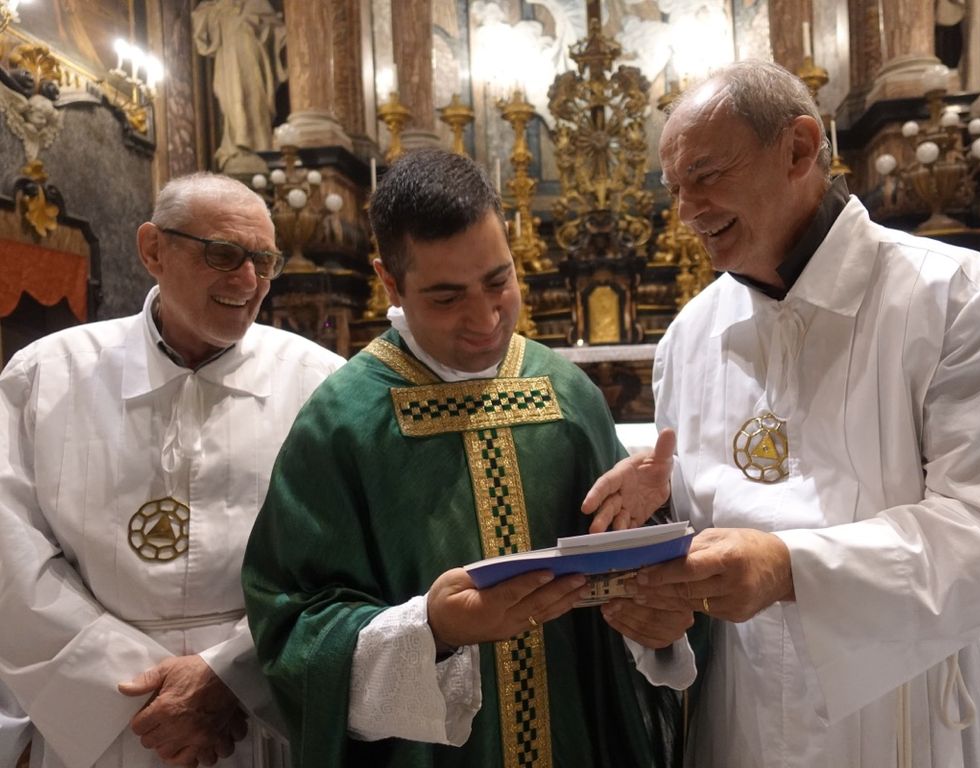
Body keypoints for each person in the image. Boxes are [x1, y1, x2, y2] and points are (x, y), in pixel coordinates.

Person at [583, 60, 980, 767]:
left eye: (706, 175)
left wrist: (791, 568)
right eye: (674, 188)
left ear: (797, 149)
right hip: (746, 719)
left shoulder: (956, 297)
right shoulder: (688, 339)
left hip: (916, 708)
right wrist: (660, 584)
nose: (687, 210)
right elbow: (703, 548)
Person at [242, 148, 695, 768]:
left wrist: (653, 547)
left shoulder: (566, 394)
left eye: (498, 281)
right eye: (446, 297)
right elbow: (293, 633)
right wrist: (432, 630)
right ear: (390, 282)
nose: (485, 319)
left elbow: (628, 602)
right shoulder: (342, 422)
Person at [0, 173, 344, 768]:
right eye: (224, 254)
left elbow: (342, 558)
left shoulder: (322, 385)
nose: (248, 281)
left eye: (264, 262)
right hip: (101, 723)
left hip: (254, 716)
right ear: (153, 250)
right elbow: (11, 554)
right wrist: (134, 689)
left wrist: (228, 676)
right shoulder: (45, 376)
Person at [192, 0, 286, 173]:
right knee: (231, 101)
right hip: (228, 59)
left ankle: (259, 147)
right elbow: (200, 21)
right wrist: (222, 12)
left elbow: (277, 30)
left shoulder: (256, 2)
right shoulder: (214, 5)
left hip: (253, 56)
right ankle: (236, 149)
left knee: (255, 100)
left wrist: (261, 26)